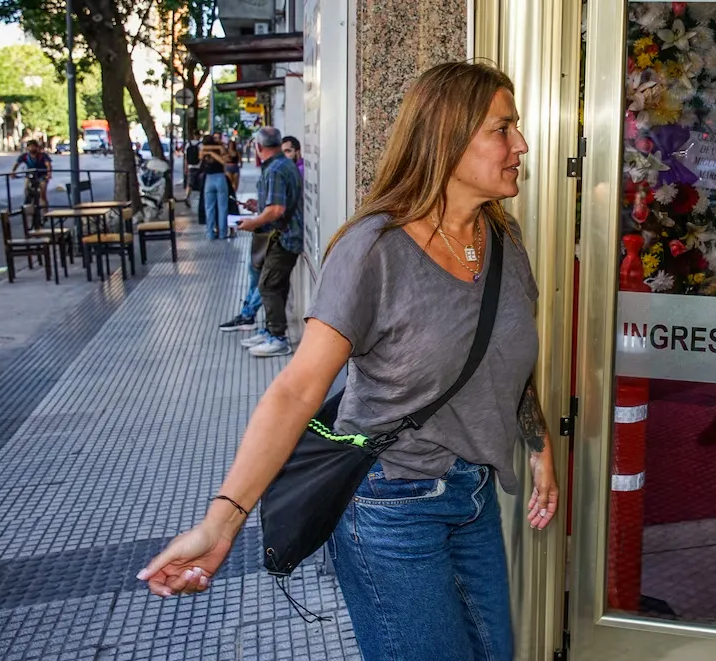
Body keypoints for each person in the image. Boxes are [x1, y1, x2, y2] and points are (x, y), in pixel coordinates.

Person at [137, 62, 558, 661]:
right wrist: (223, 521)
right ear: (445, 137)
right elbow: (296, 390)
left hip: (474, 496)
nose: (521, 145)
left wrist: (539, 448)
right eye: (502, 129)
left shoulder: (503, 238)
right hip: (391, 506)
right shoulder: (374, 250)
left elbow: (505, 355)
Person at [231, 126, 303, 357]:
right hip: (284, 235)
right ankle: (272, 330)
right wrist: (258, 207)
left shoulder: (275, 169)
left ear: (258, 147)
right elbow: (275, 204)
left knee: (268, 285)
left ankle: (277, 337)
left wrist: (253, 223)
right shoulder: (283, 165)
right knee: (276, 285)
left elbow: (277, 210)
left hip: (283, 237)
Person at [200, 135, 229, 239]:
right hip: (220, 178)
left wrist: (209, 152)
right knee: (222, 207)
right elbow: (224, 161)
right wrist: (216, 149)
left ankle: (210, 233)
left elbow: (200, 157)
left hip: (209, 179)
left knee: (209, 208)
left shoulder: (204, 151)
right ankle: (222, 233)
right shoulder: (219, 149)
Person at [11, 139, 52, 207]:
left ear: (37, 147)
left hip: (42, 175)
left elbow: (48, 165)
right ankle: (29, 208)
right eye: (30, 146)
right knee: (27, 190)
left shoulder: (43, 155)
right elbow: (17, 164)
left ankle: (45, 211)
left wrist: (49, 174)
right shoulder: (25, 156)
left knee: (42, 194)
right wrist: (13, 172)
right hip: (30, 175)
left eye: (33, 146)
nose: (31, 148)